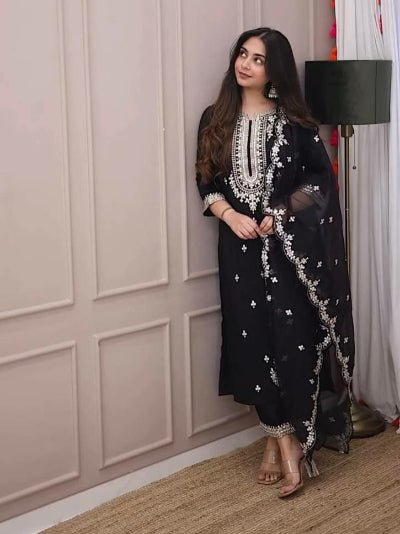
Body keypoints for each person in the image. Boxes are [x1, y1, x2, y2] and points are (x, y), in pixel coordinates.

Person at [195, 27, 355, 498]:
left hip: (287, 253)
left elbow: (319, 183)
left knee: (291, 343)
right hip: (238, 252)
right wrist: (229, 216)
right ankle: (285, 445)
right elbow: (206, 180)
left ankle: (281, 444)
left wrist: (279, 213)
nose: (245, 64)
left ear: (275, 70)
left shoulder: (295, 125)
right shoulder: (215, 119)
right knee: (251, 343)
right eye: (242, 54)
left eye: (258, 59)